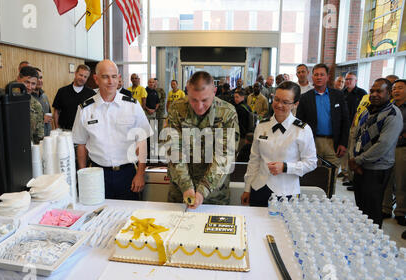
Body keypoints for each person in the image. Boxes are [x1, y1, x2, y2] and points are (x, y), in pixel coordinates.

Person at [72, 60, 153, 200]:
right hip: (97, 173)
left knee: (130, 217)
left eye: (114, 76)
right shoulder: (85, 109)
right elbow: (81, 144)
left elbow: (142, 141)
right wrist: (83, 174)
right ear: (96, 79)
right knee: (98, 216)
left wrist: (140, 173)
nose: (110, 81)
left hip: (127, 173)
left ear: (119, 78)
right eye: (105, 77)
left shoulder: (132, 105)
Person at [166, 71, 239, 209]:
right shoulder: (177, 108)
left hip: (215, 193)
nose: (199, 106)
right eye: (193, 100)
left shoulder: (227, 113)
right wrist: (186, 185)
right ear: (187, 91)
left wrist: (203, 189)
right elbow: (174, 150)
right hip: (180, 190)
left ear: (214, 91)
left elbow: (224, 156)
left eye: (204, 100)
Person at [241, 81, 317, 207]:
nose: (279, 105)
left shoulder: (302, 130)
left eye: (285, 102)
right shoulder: (261, 126)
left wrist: (286, 167)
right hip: (259, 188)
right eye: (276, 99)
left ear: (295, 104)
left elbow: (311, 163)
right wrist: (247, 188)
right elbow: (254, 160)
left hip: (286, 193)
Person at [349, 78, 403, 228]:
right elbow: (356, 135)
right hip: (360, 166)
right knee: (361, 207)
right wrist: (353, 158)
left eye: (379, 91)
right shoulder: (368, 110)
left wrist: (358, 160)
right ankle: (361, 236)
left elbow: (383, 145)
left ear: (388, 93)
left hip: (377, 169)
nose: (374, 94)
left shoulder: (392, 114)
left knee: (372, 209)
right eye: (372, 91)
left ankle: (373, 240)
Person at [296, 63, 350, 193]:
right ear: (312, 77)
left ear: (328, 77)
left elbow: (345, 120)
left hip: (334, 143)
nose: (319, 77)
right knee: (312, 175)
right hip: (313, 142)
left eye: (322, 74)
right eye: (316, 74)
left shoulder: (338, 95)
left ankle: (329, 201)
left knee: (331, 178)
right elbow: (299, 123)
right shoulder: (305, 98)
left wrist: (343, 143)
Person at [382, 79, 406, 226]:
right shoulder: (388, 107)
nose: (396, 91)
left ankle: (401, 211)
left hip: (401, 148)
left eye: (400, 88)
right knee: (386, 179)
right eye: (394, 88)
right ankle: (385, 208)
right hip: (386, 148)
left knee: (401, 180)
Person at [339, 72, 367, 181]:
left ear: (356, 81)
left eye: (351, 79)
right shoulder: (342, 93)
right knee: (344, 150)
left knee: (353, 151)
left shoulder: (362, 93)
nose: (348, 81)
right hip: (344, 126)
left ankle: (352, 178)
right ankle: (346, 173)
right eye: (346, 79)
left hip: (356, 126)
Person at [53, 64, 96, 130]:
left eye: (85, 77)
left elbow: (93, 113)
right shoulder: (62, 91)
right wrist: (57, 129)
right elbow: (56, 112)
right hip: (65, 131)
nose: (82, 78)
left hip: (84, 131)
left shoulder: (91, 94)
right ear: (75, 73)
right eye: (81, 75)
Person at [16, 66, 44, 144]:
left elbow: (39, 136)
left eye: (33, 84)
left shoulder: (36, 106)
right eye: (26, 82)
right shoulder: (5, 100)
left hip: (29, 149)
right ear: (18, 79)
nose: (29, 87)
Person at [32, 67, 52, 136]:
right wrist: (41, 119)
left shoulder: (44, 96)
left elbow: (49, 115)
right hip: (34, 140)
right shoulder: (27, 98)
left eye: (41, 77)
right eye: (37, 78)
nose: (40, 80)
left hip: (47, 138)